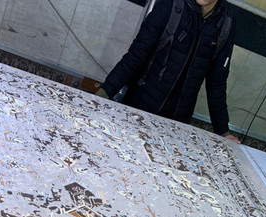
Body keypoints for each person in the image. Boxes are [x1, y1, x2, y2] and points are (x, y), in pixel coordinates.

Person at [96, 0, 239, 142]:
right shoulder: (170, 4)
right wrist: (103, 93)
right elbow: (136, 55)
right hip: (139, 108)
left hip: (177, 124)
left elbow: (217, 82)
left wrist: (223, 131)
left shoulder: (226, 22)